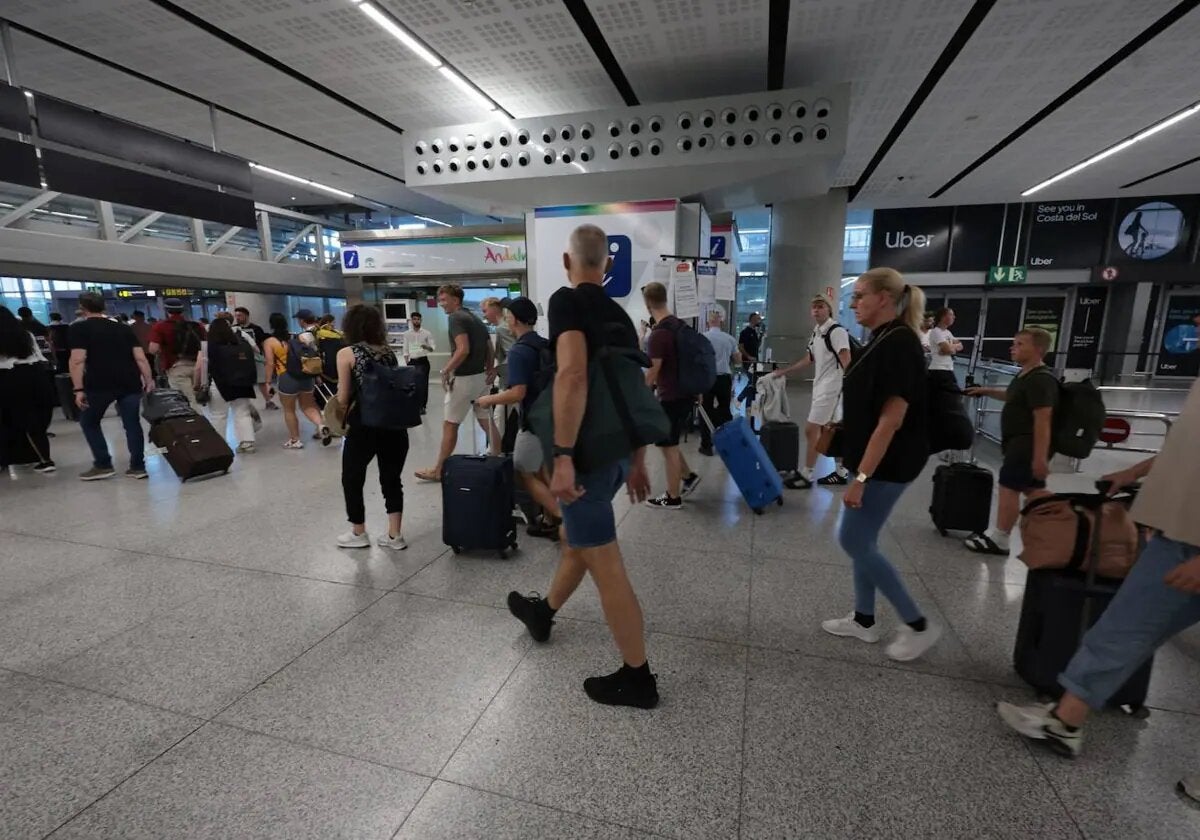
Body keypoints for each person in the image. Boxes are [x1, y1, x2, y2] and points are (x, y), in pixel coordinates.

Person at [995, 378, 1200, 804]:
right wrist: (1137, 472)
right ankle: (1066, 721)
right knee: (1125, 625)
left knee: (1127, 625)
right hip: (1179, 533)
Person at [506, 223, 657, 708]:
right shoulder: (621, 313)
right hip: (615, 456)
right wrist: (637, 458)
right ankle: (544, 612)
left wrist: (565, 457)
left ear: (569, 263)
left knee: (605, 564)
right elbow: (635, 388)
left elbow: (572, 374)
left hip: (586, 457)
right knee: (578, 541)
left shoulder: (567, 301)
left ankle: (638, 678)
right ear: (608, 265)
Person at [821, 267, 940, 662]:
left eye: (859, 295)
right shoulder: (883, 338)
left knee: (853, 540)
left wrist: (861, 477)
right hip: (875, 458)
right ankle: (864, 620)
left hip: (889, 463)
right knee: (862, 540)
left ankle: (917, 624)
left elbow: (892, 418)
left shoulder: (900, 344)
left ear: (884, 298)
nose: (853, 303)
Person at [962, 328, 1057, 555]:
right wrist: (985, 390)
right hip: (1019, 443)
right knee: (1032, 490)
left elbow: (1043, 419)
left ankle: (1000, 539)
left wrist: (1040, 457)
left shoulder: (1041, 379)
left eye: (1020, 344)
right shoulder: (1026, 374)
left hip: (1026, 444)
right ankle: (1061, 526)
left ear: (1038, 350)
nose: (1013, 347)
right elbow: (1013, 396)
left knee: (1009, 487)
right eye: (1014, 343)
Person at [476, 297, 560, 539]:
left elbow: (518, 392)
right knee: (544, 469)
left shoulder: (519, 351)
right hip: (554, 416)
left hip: (534, 421)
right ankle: (549, 518)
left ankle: (562, 517)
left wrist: (488, 400)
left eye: (508, 315)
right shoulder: (545, 344)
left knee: (523, 468)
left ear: (514, 319)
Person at [333, 304, 410, 551]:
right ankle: (394, 535)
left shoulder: (346, 353)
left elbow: (343, 398)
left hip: (363, 426)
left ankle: (359, 532)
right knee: (391, 478)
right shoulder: (388, 351)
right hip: (393, 424)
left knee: (352, 477)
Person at [68, 291, 154, 480]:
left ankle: (103, 464)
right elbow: (140, 357)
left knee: (89, 422)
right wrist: (149, 380)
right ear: (104, 307)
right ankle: (138, 467)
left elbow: (77, 360)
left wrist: (78, 389)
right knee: (132, 424)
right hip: (129, 382)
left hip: (98, 383)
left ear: (82, 308)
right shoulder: (123, 328)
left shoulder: (78, 329)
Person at [770, 295, 852, 488]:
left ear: (829, 309)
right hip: (821, 386)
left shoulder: (836, 331)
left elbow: (846, 359)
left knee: (811, 429)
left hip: (831, 388)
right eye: (813, 307)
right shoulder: (817, 332)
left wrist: (853, 387)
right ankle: (842, 472)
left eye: (820, 306)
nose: (816, 310)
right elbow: (809, 359)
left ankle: (807, 474)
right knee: (829, 430)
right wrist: (785, 371)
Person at [413, 285, 493, 481]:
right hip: (480, 378)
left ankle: (438, 469)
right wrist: (490, 368)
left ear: (456, 300)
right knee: (486, 421)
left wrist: (445, 369)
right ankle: (499, 457)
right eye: (440, 300)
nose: (441, 305)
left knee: (450, 424)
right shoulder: (474, 317)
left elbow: (463, 349)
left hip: (464, 380)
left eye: (444, 300)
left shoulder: (456, 318)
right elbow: (488, 345)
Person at [642, 281, 701, 510]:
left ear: (648, 304)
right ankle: (688, 477)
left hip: (671, 396)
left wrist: (640, 395)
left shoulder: (659, 334)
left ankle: (672, 496)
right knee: (670, 443)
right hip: (685, 393)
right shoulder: (679, 326)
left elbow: (654, 369)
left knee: (668, 447)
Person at [0, 306, 54, 473]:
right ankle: (44, 458)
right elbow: (39, 355)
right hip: (35, 374)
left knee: (10, 419)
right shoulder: (26, 335)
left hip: (8, 377)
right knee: (35, 419)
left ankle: (15, 457)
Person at [263, 310, 326, 449]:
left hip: (287, 377)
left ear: (271, 325)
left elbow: (270, 363)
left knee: (289, 410)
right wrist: (316, 376)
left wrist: (267, 383)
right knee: (308, 406)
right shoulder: (297, 337)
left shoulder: (270, 342)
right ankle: (321, 426)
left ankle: (295, 440)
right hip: (305, 375)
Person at [197, 317, 257, 454]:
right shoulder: (240, 341)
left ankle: (219, 446)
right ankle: (247, 443)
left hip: (219, 384)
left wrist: (201, 384)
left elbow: (202, 367)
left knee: (218, 415)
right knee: (242, 412)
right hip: (243, 383)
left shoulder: (208, 346)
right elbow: (256, 351)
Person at [148, 298, 206, 408]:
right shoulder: (197, 326)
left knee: (186, 402)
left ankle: (196, 423)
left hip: (176, 368)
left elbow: (153, 349)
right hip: (199, 366)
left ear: (167, 310)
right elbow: (205, 346)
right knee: (199, 400)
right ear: (182, 310)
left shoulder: (160, 326)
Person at [698, 309, 740, 456]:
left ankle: (706, 446)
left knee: (705, 411)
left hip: (706, 378)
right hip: (724, 378)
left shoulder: (702, 338)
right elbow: (737, 360)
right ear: (721, 321)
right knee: (725, 410)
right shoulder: (730, 339)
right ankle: (727, 443)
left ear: (708, 322)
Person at [482, 296, 516, 455]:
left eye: (485, 310)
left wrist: (496, 370)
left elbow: (513, 353)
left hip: (510, 381)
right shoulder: (504, 327)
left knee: (498, 416)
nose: (484, 315)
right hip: (510, 379)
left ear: (495, 309)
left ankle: (493, 451)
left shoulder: (502, 328)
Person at [232, 306, 273, 408]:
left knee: (262, 380)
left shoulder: (256, 329)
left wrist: (266, 357)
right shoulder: (234, 329)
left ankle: (268, 401)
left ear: (246, 316)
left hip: (256, 357)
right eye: (236, 316)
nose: (237, 318)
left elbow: (263, 343)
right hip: (241, 358)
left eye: (240, 315)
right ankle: (246, 404)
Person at [402, 311, 434, 414]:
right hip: (412, 361)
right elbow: (405, 348)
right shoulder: (407, 334)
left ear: (421, 320)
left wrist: (426, 346)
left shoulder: (426, 333)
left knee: (423, 385)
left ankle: (422, 406)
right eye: (414, 319)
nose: (416, 321)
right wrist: (407, 361)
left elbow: (432, 348)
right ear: (411, 320)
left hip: (423, 361)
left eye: (418, 319)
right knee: (412, 385)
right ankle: (413, 405)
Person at [927, 306, 963, 393]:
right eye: (951, 315)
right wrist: (950, 349)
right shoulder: (936, 331)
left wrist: (950, 348)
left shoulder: (948, 333)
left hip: (948, 368)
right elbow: (947, 350)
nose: (954, 317)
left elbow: (961, 345)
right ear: (943, 317)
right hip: (939, 369)